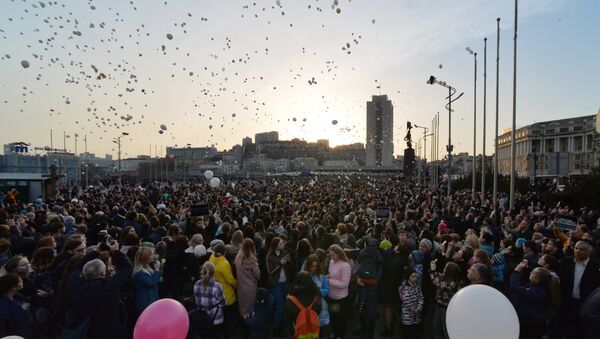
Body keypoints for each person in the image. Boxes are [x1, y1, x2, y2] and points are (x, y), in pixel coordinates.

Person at [65, 243, 132, 339]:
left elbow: (77, 268)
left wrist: (96, 252)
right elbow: (127, 268)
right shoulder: (108, 286)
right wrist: (115, 251)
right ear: (103, 273)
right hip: (108, 330)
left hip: (86, 329)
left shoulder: (75, 283)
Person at [559, 240, 600, 339]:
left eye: (582, 249)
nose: (577, 251)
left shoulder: (596, 266)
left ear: (589, 252)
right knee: (568, 329)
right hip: (568, 302)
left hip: (586, 304)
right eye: (576, 248)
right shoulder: (566, 262)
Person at [511, 262, 560, 339]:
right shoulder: (542, 286)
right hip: (535, 323)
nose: (530, 272)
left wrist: (516, 272)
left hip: (533, 325)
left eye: (532, 273)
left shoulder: (537, 292)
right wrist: (526, 268)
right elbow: (533, 276)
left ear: (537, 278)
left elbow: (516, 287)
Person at [208, 243, 238, 336]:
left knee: (221, 313)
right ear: (224, 252)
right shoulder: (224, 264)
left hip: (216, 291)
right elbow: (230, 280)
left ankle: (221, 331)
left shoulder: (212, 257)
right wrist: (237, 285)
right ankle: (229, 332)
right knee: (229, 314)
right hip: (226, 293)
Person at [283, 271, 322, 338]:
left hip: (299, 334)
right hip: (313, 333)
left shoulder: (291, 301)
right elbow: (318, 313)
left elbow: (288, 323)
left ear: (296, 284)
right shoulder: (316, 299)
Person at [266, 237, 292, 335]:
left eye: (282, 243)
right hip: (275, 283)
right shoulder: (270, 256)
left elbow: (290, 266)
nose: (283, 245)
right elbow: (270, 271)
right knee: (280, 306)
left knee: (285, 305)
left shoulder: (285, 252)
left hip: (285, 282)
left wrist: (289, 261)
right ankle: (275, 328)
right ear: (275, 246)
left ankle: (282, 326)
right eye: (280, 244)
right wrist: (280, 263)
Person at [193, 261, 226, 338]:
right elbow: (224, 302)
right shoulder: (217, 286)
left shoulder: (196, 284)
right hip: (216, 319)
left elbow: (197, 302)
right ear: (213, 272)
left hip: (202, 318)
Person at [430, 261, 460, 339]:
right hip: (439, 305)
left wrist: (433, 270)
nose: (444, 269)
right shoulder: (447, 280)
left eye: (445, 268)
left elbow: (437, 283)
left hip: (445, 308)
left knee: (445, 328)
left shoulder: (451, 284)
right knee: (436, 325)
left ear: (449, 272)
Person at [327, 244, 351, 339]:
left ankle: (340, 335)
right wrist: (326, 277)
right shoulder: (332, 262)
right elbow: (331, 274)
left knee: (341, 319)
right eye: (330, 255)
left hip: (341, 298)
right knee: (333, 317)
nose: (332, 257)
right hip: (331, 295)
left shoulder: (345, 265)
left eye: (333, 255)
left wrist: (329, 281)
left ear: (339, 254)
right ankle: (334, 332)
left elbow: (345, 283)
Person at [234, 238, 260, 320]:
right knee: (250, 307)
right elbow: (257, 274)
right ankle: (249, 325)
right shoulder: (252, 260)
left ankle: (243, 322)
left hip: (240, 286)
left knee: (242, 306)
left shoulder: (238, 258)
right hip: (250, 287)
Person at [132, 246, 161, 315]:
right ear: (145, 257)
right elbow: (151, 282)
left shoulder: (148, 268)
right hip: (145, 300)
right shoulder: (139, 272)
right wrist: (157, 270)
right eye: (151, 255)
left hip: (152, 298)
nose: (153, 256)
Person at [0, 274, 32, 338]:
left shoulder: (17, 297)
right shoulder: (4, 307)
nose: (22, 281)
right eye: (20, 281)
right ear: (13, 287)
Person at [303, 254, 329, 329]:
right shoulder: (303, 275)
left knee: (319, 327)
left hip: (319, 304)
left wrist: (317, 291)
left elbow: (327, 290)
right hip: (307, 304)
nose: (314, 268)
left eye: (315, 266)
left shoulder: (321, 276)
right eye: (312, 266)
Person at [399, 267, 424, 339]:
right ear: (408, 277)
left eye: (416, 276)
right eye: (412, 277)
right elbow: (407, 301)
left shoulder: (417, 286)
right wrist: (414, 310)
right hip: (407, 317)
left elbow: (421, 297)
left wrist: (418, 308)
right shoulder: (404, 288)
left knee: (414, 333)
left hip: (416, 316)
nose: (415, 278)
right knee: (407, 334)